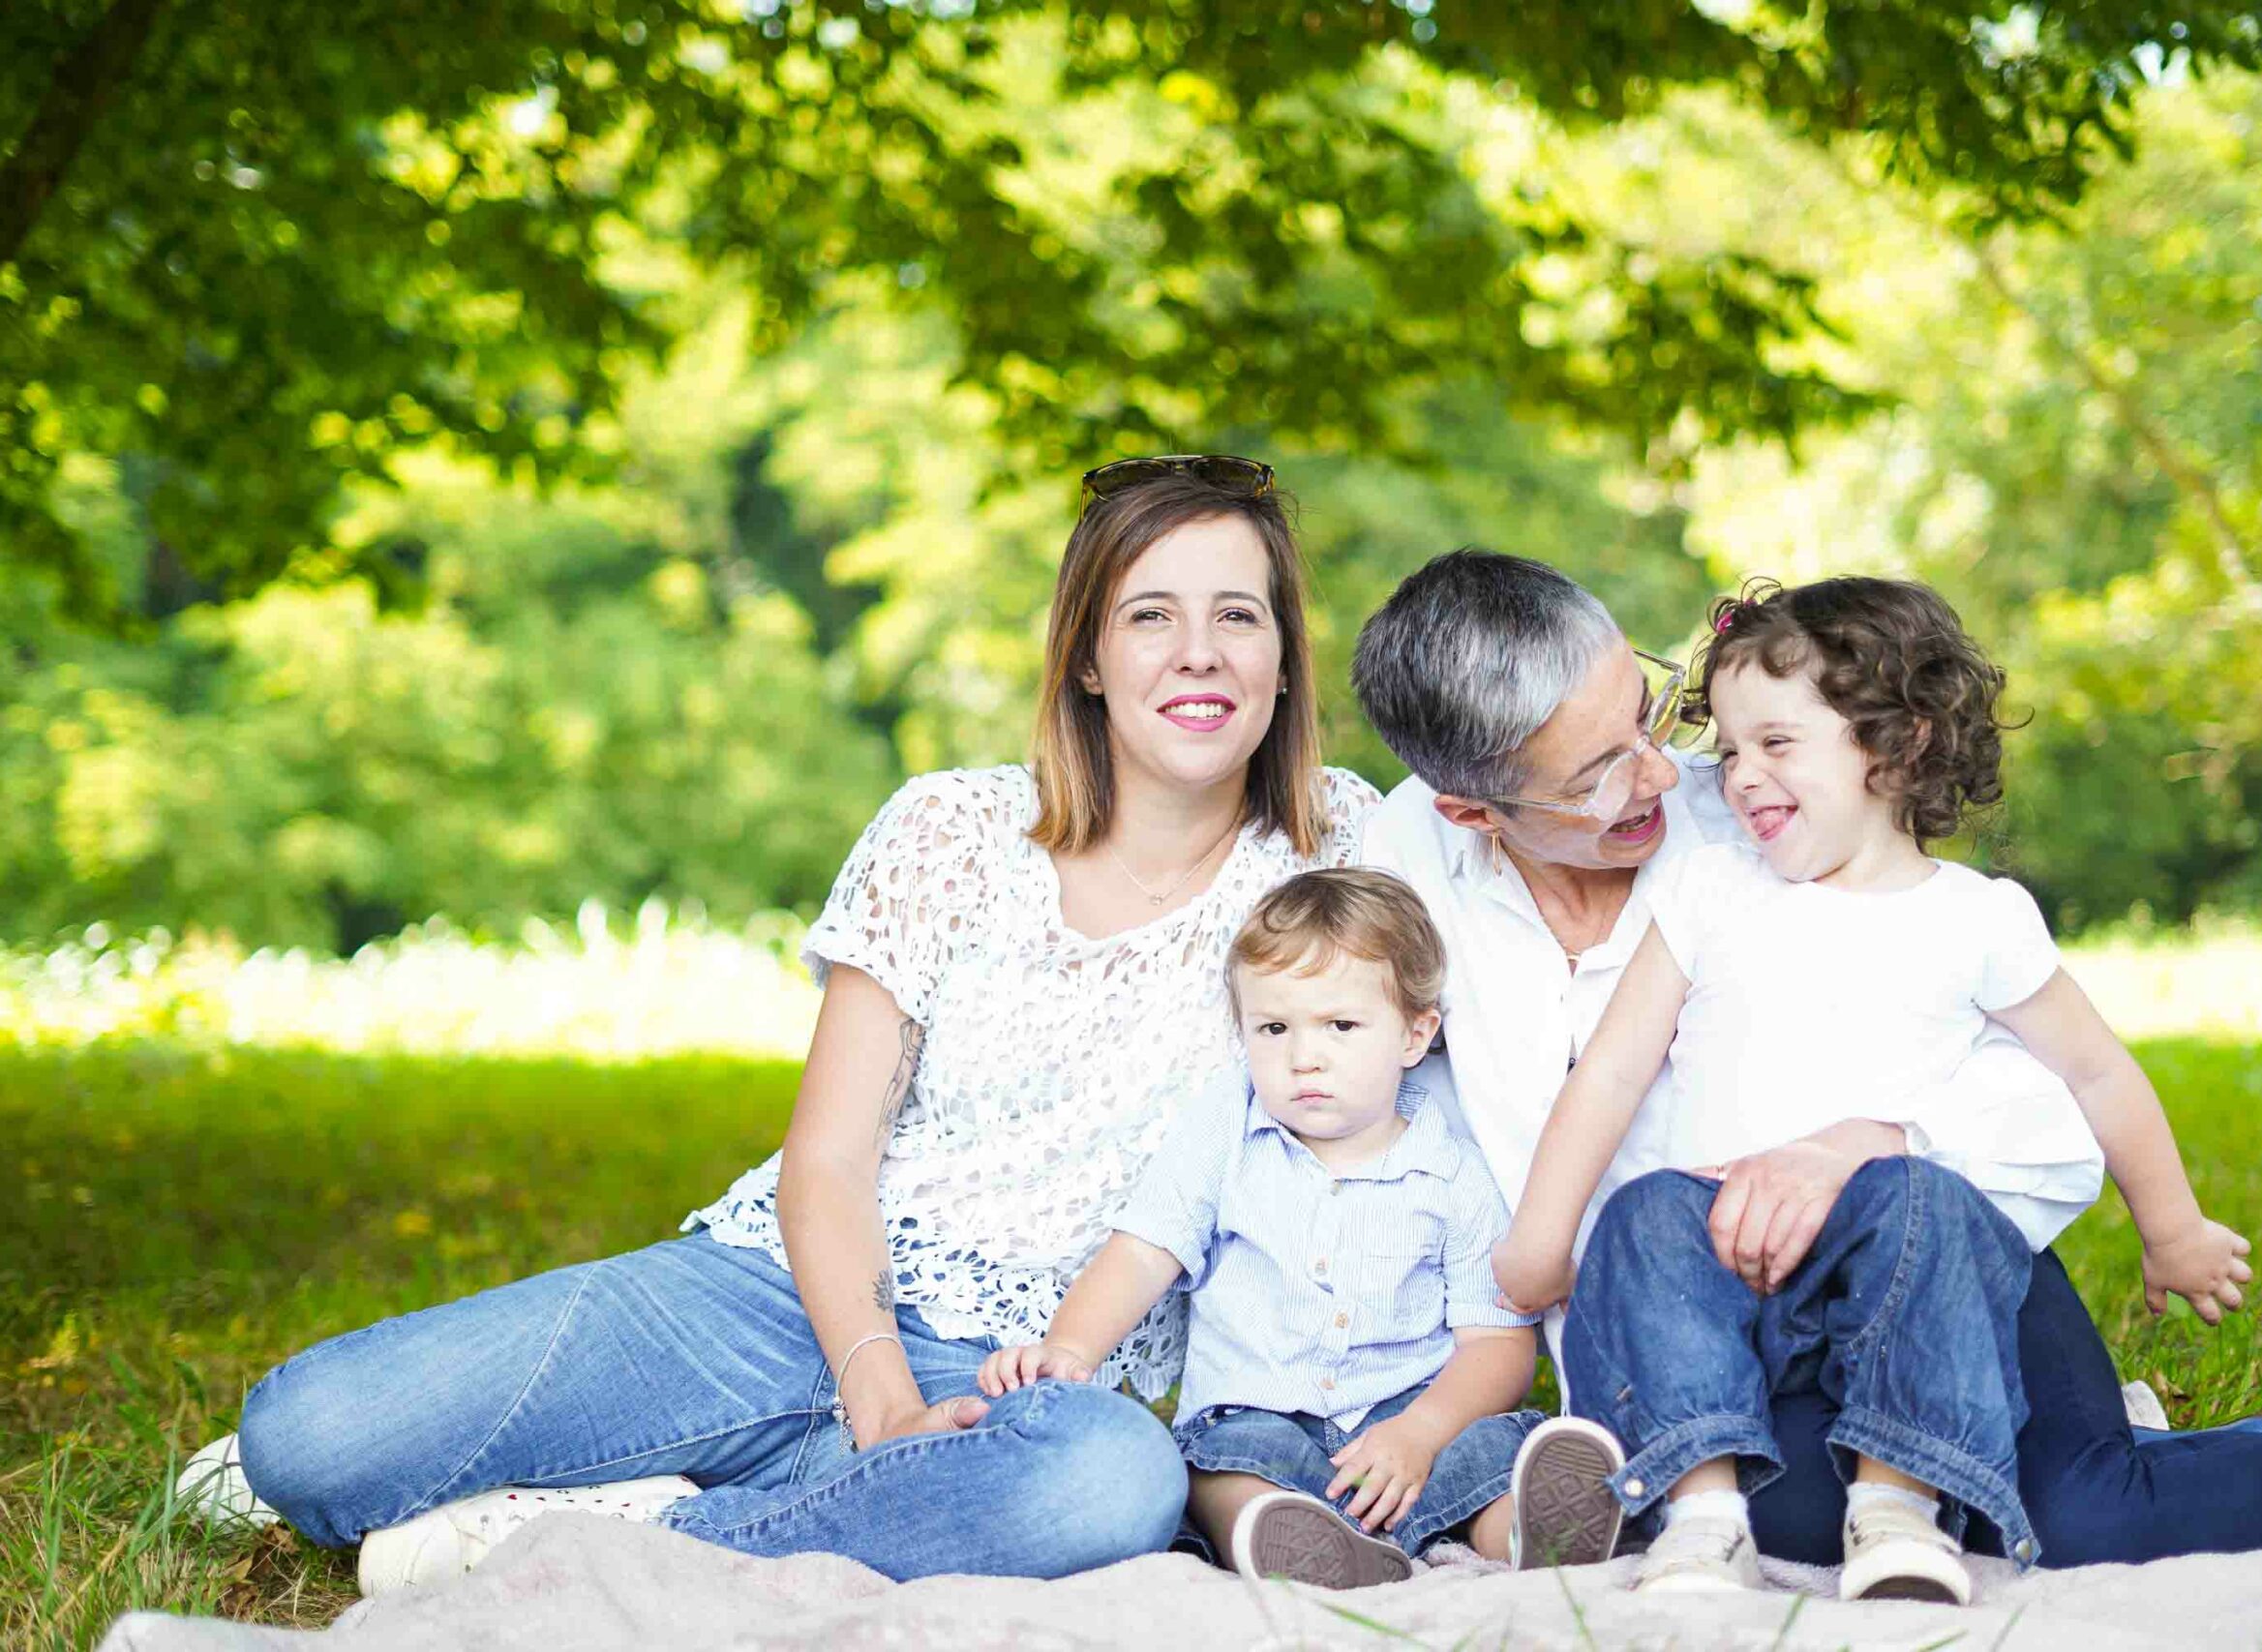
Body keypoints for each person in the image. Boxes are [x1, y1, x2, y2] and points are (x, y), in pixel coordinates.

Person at [195, 455, 1387, 1593]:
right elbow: (828, 1157)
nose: (1198, 654)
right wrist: (875, 1395)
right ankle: (813, 1494)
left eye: (1239, 616)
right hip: (768, 1297)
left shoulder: (1348, 853)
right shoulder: (950, 831)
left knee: (1111, 1486)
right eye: (1147, 616)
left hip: (1028, 1380)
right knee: (303, 1436)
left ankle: (628, 1529)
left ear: (1286, 661)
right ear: (1083, 656)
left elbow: (1511, 882)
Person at [1353, 548, 2262, 1573]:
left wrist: (1874, 1147)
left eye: (1650, 716)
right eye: (1599, 773)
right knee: (1778, 1513)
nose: (1675, 773)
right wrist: (1531, 1257)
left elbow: (2062, 1078)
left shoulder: (1787, 836)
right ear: (1471, 810)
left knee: (2082, 1516)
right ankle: (2160, 1463)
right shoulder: (1412, 874)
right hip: (1719, 1330)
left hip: (1924, 1247)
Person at [1490, 577, 2254, 1602]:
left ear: (1897, 745)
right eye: (1727, 748)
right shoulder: (1711, 889)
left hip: (1896, 1269)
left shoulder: (1976, 918)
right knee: (1639, 1215)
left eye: (1776, 744)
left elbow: (2095, 1071)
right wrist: (1543, 1239)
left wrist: (2172, 1228)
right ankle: (1702, 1516)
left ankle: (1896, 1508)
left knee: (1915, 1199)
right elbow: (1612, 1070)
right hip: (1733, 1262)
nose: (1739, 777)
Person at [979, 868, 1630, 1588]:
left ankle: (1525, 1533)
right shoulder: (1227, 1124)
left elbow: (1498, 1345)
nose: (1303, 1056)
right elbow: (1142, 1250)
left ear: (1416, 1033)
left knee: (1485, 1453)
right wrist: (1070, 1346)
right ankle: (1282, 1541)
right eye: (1274, 1027)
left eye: (1341, 1025)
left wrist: (1420, 1431)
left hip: (1405, 1431)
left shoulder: (1453, 1170)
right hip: (1259, 1415)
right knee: (1216, 1466)